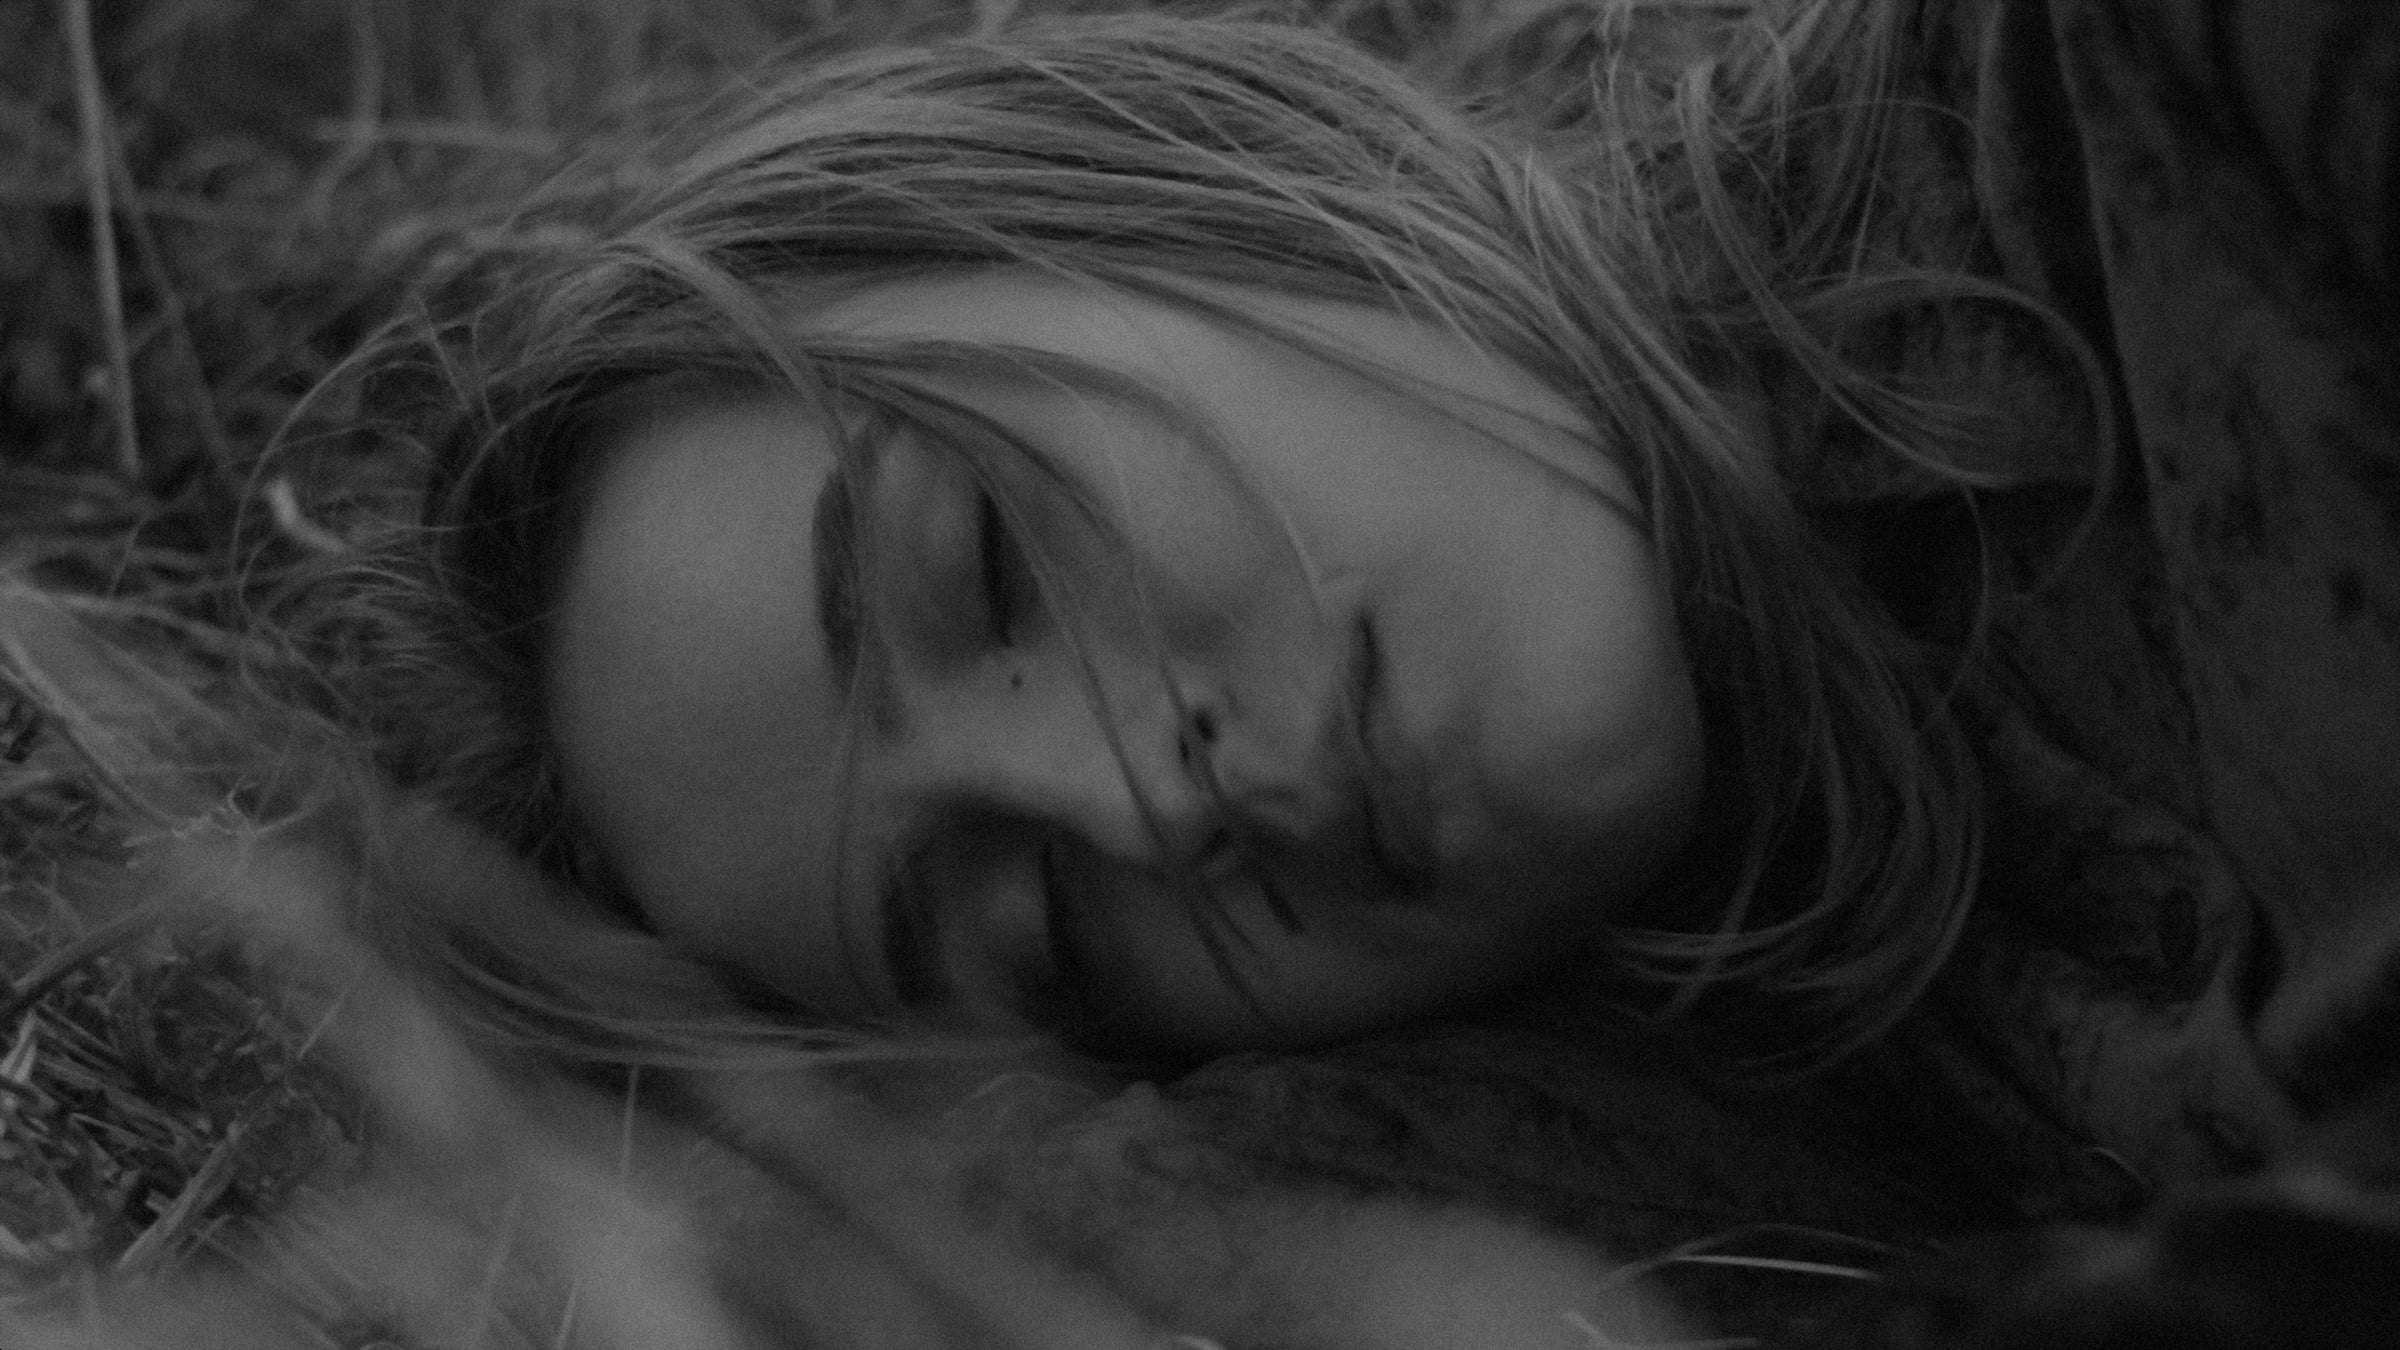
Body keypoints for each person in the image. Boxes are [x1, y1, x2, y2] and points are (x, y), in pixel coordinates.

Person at [306, 0, 2018, 1079]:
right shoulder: (1832, 1116)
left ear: (1167, 195)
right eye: (1042, 930)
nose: (1147, 808)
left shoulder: (2098, 106)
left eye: (983, 565)